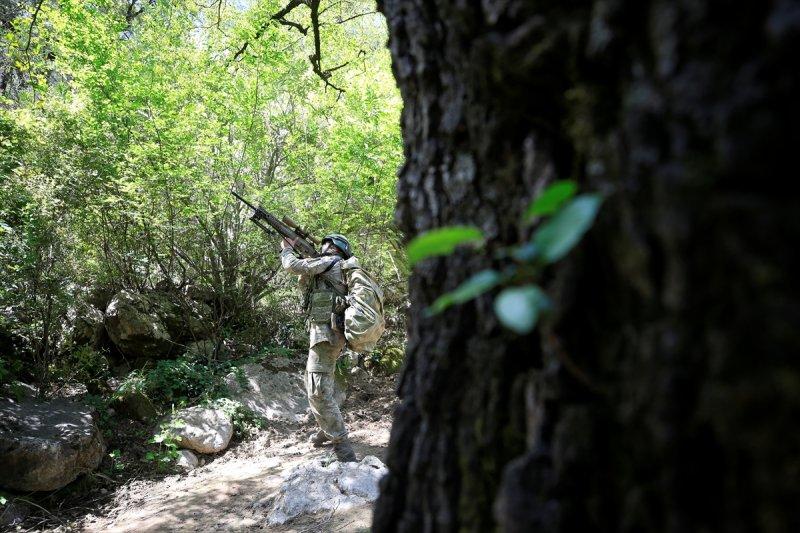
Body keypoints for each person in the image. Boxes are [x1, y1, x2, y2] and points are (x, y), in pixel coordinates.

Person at [279, 233, 357, 463]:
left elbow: (291, 265)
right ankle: (326, 430)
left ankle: (342, 447)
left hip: (326, 336)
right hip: (325, 335)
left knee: (318, 388)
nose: (322, 247)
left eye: (325, 245)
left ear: (333, 248)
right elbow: (305, 284)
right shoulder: (334, 266)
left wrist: (286, 248)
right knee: (315, 383)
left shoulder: (330, 261)